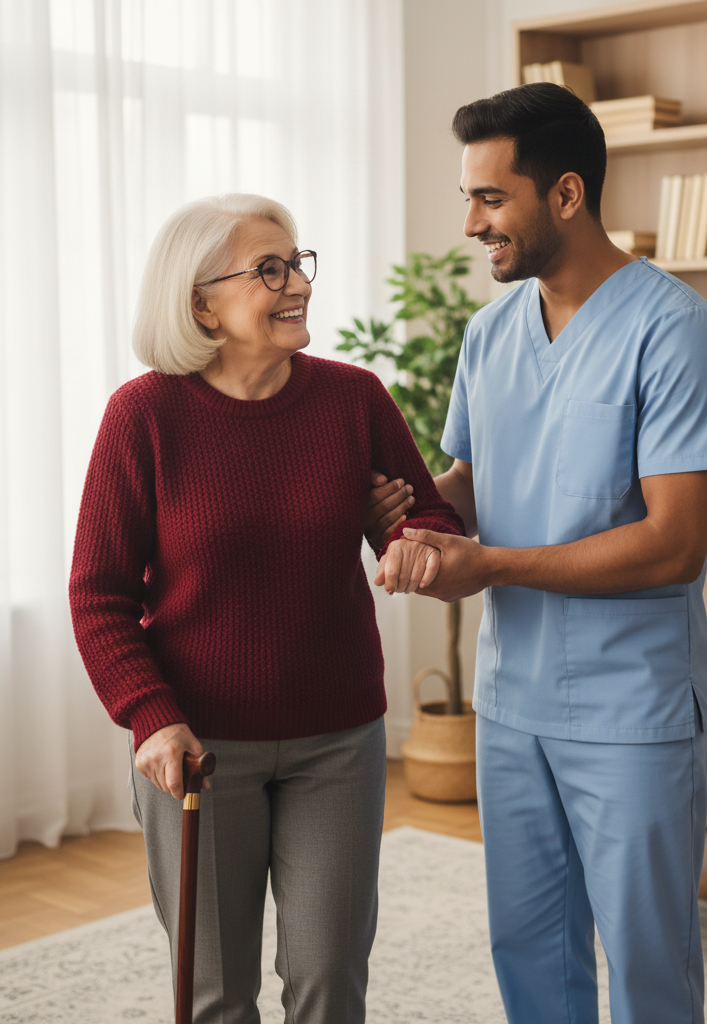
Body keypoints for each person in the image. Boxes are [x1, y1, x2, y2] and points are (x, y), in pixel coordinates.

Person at [375, 83, 707, 1023]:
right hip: (511, 701)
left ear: (567, 195)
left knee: (648, 964)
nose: (470, 224)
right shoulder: (488, 334)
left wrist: (488, 565)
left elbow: (675, 546)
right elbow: (469, 483)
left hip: (630, 708)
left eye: (491, 199)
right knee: (530, 952)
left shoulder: (680, 334)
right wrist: (411, 516)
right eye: (469, 199)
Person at [69, 193, 464, 1024]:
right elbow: (99, 594)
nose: (299, 286)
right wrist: (151, 717)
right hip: (198, 749)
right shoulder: (143, 416)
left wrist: (405, 541)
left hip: (338, 740)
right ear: (199, 303)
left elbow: (432, 514)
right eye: (270, 270)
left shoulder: (353, 399)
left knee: (329, 981)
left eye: (298, 263)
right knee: (216, 996)